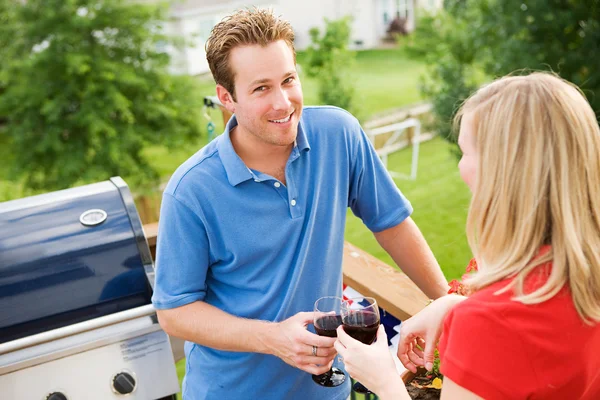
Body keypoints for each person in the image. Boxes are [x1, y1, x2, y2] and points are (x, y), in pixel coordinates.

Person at [151, 8, 448, 400]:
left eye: (288, 80)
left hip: (327, 390)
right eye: (261, 89)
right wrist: (272, 338)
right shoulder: (190, 191)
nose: (283, 102)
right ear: (227, 98)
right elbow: (174, 311)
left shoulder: (339, 135)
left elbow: (391, 223)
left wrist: (450, 306)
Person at [334, 72, 600, 399]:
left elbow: (507, 331)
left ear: (501, 172)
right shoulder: (582, 277)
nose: (461, 169)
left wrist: (385, 382)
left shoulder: (489, 325)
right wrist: (455, 304)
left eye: (466, 152)